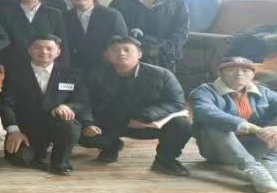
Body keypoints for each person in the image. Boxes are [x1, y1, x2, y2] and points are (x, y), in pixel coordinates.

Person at [190, 57, 277, 193]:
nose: (239, 74)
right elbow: (207, 113)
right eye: (231, 69)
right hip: (219, 150)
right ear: (220, 73)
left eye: (245, 71)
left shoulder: (264, 92)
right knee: (213, 123)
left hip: (257, 149)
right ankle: (252, 168)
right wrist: (253, 128)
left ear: (253, 74)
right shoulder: (204, 92)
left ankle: (272, 164)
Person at [80, 35, 193, 176]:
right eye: (115, 50)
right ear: (106, 55)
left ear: (139, 54)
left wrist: (146, 116)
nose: (121, 53)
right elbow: (85, 102)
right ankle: (111, 146)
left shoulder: (162, 74)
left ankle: (165, 159)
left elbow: (176, 102)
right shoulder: (94, 75)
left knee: (182, 125)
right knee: (80, 130)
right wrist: (88, 124)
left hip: (148, 123)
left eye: (127, 50)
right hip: (112, 123)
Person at [0, 35, 86, 175]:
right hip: (27, 129)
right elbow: (6, 104)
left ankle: (60, 162)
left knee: (71, 126)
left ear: (58, 52)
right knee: (21, 158)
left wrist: (67, 107)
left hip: (56, 124)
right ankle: (38, 152)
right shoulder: (15, 73)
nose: (43, 52)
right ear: (29, 50)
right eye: (38, 47)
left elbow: (82, 102)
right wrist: (14, 131)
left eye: (49, 48)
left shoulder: (71, 74)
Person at [109, 0, 190, 72]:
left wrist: (164, 47)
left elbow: (182, 31)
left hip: (166, 57)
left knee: (164, 81)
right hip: (129, 57)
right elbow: (115, 30)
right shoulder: (118, 3)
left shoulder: (177, 3)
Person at [0, 0, 67, 71]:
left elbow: (62, 40)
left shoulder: (54, 14)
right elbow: (0, 38)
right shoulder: (5, 13)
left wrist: (62, 64)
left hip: (46, 62)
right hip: (13, 61)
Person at [62, 0, 128, 73]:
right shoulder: (64, 17)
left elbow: (121, 42)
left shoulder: (112, 15)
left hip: (106, 68)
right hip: (74, 69)